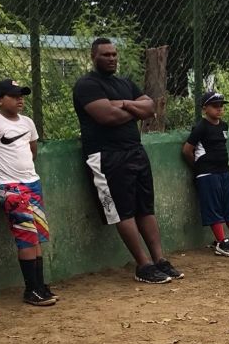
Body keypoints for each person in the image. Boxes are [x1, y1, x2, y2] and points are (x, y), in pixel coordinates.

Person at [72, 38, 182, 284]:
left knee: (145, 207)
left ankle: (159, 260)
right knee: (122, 210)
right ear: (94, 57)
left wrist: (123, 103)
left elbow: (151, 108)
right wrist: (135, 109)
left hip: (135, 151)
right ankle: (143, 265)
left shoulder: (124, 83)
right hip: (106, 156)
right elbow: (107, 117)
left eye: (114, 54)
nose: (111, 58)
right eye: (105, 55)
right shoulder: (87, 85)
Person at [0, 78, 57, 306]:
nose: (20, 99)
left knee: (37, 234)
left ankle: (40, 285)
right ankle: (31, 290)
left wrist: (25, 174)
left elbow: (32, 150)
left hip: (31, 182)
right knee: (25, 236)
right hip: (9, 186)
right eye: (14, 95)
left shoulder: (27, 122)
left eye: (22, 95)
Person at [182, 90, 229, 257]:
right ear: (205, 108)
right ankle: (221, 242)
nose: (219, 109)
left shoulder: (224, 126)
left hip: (224, 171)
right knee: (213, 207)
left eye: (221, 105)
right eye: (215, 106)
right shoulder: (201, 127)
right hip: (208, 174)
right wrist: (199, 167)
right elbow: (187, 150)